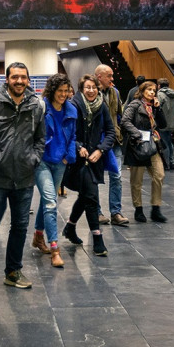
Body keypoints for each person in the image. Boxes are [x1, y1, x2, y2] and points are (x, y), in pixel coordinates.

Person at [0, 62, 46, 289]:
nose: (20, 81)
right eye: (15, 77)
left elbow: (41, 138)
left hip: (24, 175)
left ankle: (13, 272)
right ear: (7, 79)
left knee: (21, 225)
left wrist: (34, 158)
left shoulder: (36, 106)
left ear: (28, 79)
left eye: (23, 77)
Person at [63, 74, 114, 256]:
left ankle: (70, 227)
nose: (91, 90)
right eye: (87, 87)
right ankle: (97, 239)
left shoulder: (102, 106)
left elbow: (111, 131)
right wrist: (78, 147)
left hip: (94, 159)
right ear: (81, 90)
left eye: (94, 87)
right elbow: (67, 132)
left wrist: (100, 150)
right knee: (91, 197)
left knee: (86, 196)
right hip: (76, 161)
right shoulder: (73, 105)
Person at [31, 73, 77, 268]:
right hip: (42, 161)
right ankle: (55, 248)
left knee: (47, 200)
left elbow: (73, 135)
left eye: (66, 91)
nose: (64, 94)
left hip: (60, 161)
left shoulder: (71, 110)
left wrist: (69, 156)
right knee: (51, 202)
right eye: (60, 91)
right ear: (52, 90)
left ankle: (38, 236)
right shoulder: (41, 108)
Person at [120, 80, 168, 223]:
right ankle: (138, 209)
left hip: (153, 145)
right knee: (137, 181)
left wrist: (158, 109)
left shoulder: (154, 106)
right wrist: (137, 134)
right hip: (138, 146)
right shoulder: (135, 105)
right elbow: (125, 121)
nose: (152, 92)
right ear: (142, 91)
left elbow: (163, 125)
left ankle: (156, 208)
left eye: (154, 90)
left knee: (159, 175)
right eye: (149, 90)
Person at [95, 64, 128, 226]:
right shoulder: (91, 92)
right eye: (109, 75)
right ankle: (97, 212)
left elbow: (120, 114)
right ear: (99, 76)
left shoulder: (115, 92)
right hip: (96, 143)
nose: (112, 79)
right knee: (95, 178)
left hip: (114, 141)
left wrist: (118, 130)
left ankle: (115, 212)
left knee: (117, 177)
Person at [156, 78, 174, 170]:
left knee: (164, 143)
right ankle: (172, 162)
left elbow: (157, 109)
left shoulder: (159, 95)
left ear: (159, 86)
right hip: (172, 122)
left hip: (162, 123)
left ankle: (167, 164)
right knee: (169, 142)